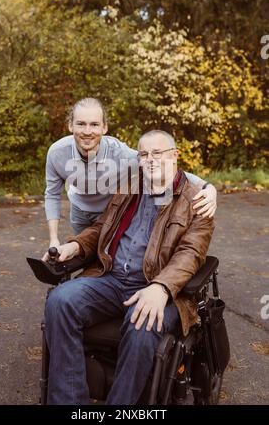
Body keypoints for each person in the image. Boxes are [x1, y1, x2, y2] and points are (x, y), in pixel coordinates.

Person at [44, 130, 215, 405]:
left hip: (157, 286)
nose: (149, 159)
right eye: (144, 154)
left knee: (143, 321)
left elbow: (191, 253)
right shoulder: (129, 187)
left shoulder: (196, 201)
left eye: (157, 153)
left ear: (174, 155)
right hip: (111, 278)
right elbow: (102, 226)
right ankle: (69, 401)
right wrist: (74, 246)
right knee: (59, 301)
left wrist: (160, 288)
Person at [43, 98, 217, 259]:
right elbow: (52, 194)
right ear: (70, 125)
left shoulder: (121, 153)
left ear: (104, 128)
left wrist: (208, 187)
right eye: (81, 124)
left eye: (94, 124)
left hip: (109, 212)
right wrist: (53, 239)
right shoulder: (57, 153)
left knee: (104, 256)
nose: (87, 131)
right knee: (81, 253)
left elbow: (163, 166)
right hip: (79, 210)